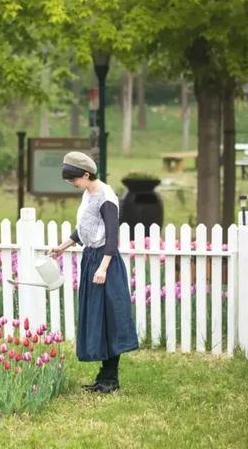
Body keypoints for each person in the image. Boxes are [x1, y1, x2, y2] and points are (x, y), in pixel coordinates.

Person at [48, 151, 139, 394]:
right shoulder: (89, 194)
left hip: (104, 262)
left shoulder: (106, 197)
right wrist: (62, 247)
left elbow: (112, 235)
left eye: (74, 180)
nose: (73, 185)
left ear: (86, 175)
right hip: (91, 258)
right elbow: (84, 228)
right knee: (97, 318)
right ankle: (104, 376)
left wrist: (103, 267)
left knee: (110, 319)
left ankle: (111, 378)